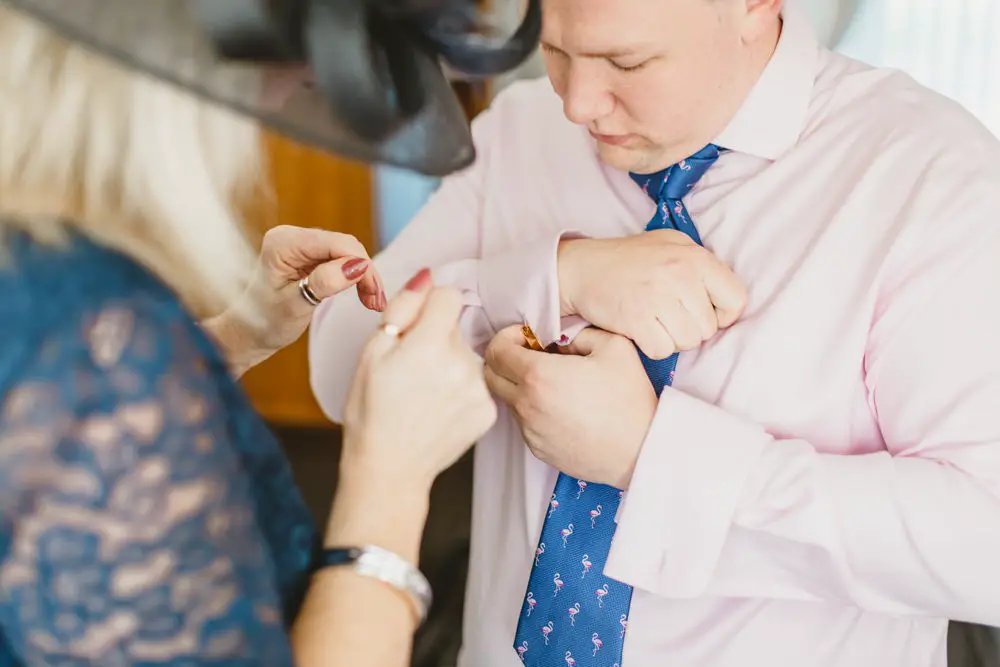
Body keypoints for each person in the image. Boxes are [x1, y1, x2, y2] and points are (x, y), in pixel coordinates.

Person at [308, 0, 1000, 665]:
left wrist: (652, 457)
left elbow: (983, 547)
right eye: (551, 48)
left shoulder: (928, 173)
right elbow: (343, 374)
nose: (578, 103)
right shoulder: (523, 129)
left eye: (627, 60)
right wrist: (554, 276)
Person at [0, 4, 500, 666]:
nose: (286, 89)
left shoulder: (51, 296)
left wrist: (237, 335)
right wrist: (390, 482)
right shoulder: (92, 340)